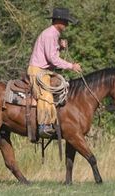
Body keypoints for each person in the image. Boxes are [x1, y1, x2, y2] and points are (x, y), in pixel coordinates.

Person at [28, 7, 82, 138]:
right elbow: (52, 59)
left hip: (46, 71)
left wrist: (60, 47)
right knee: (46, 95)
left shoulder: (54, 35)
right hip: (38, 71)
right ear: (58, 21)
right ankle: (44, 125)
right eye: (65, 21)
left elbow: (51, 54)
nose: (67, 24)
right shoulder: (50, 34)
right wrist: (71, 66)